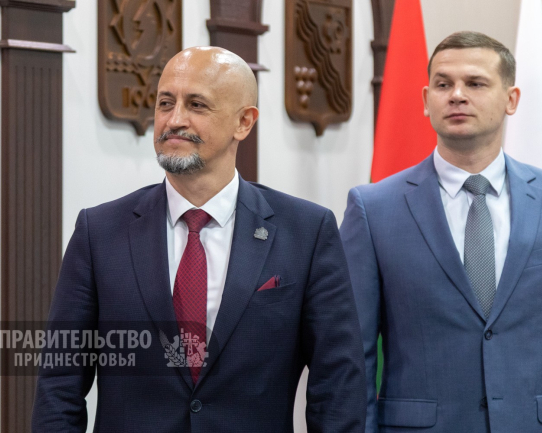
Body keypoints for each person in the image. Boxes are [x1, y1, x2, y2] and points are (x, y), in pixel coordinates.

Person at [32, 47, 366, 432]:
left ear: (244, 122)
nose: (174, 120)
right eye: (165, 103)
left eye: (196, 105)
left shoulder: (307, 232)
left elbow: (338, 384)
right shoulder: (99, 232)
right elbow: (60, 383)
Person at [340, 31, 542, 432]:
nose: (456, 95)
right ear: (425, 100)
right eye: (443, 84)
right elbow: (352, 355)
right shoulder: (373, 209)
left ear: (511, 99)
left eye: (475, 83)